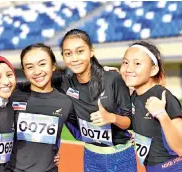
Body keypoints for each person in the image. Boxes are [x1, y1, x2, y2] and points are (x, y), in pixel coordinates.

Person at [16, 29, 137, 171]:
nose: (74, 58)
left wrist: (112, 118)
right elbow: (36, 81)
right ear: (63, 57)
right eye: (68, 54)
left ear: (91, 51)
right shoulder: (63, 83)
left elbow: (128, 121)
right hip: (91, 155)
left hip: (121, 155)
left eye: (80, 51)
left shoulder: (112, 79)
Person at [5, 43, 79, 172]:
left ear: (53, 65)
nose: (37, 71)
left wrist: (103, 77)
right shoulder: (12, 95)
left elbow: (83, 132)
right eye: (30, 67)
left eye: (42, 64)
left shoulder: (65, 102)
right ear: (24, 71)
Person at [120, 41, 182, 171]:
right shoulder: (135, 97)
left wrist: (162, 115)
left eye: (137, 63)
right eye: (125, 62)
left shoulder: (163, 97)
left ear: (153, 70)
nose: (129, 69)